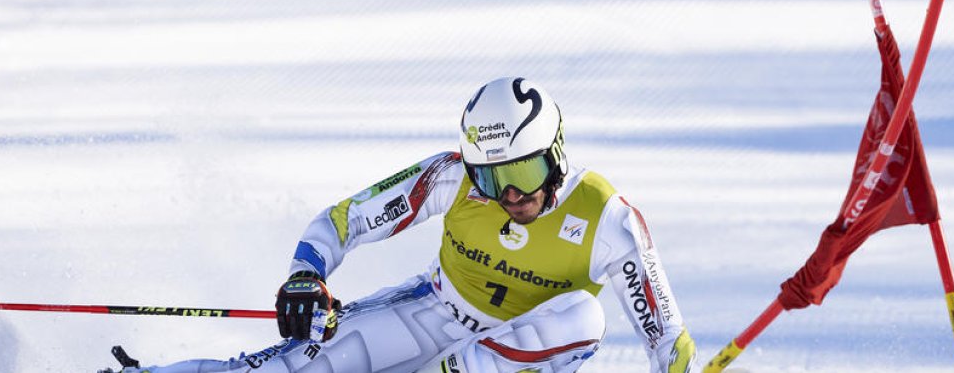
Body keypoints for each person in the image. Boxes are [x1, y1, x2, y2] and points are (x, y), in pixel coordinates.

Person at [99, 77, 696, 373]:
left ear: (557, 154)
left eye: (524, 172)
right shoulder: (451, 177)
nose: (510, 195)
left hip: (521, 358)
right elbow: (342, 221)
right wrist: (305, 276)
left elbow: (668, 341)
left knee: (586, 317)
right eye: (492, 179)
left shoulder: (608, 221)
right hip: (434, 314)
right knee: (286, 366)